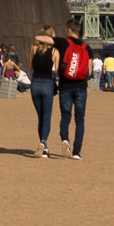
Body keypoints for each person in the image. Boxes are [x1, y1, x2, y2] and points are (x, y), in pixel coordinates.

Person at [54, 21, 93, 159]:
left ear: (69, 30)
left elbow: (41, 39)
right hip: (81, 87)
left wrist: (51, 36)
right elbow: (89, 71)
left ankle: (65, 139)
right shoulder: (87, 47)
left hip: (65, 86)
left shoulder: (62, 43)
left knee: (65, 116)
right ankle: (77, 152)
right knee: (80, 119)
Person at [28, 27, 58, 158]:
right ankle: (43, 142)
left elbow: (31, 66)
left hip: (35, 83)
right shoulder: (54, 52)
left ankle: (44, 147)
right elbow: (57, 73)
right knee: (46, 118)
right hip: (47, 84)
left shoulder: (33, 48)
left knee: (40, 117)